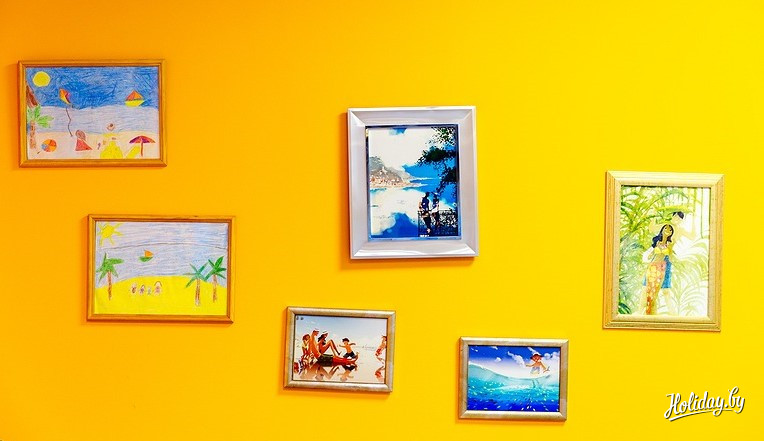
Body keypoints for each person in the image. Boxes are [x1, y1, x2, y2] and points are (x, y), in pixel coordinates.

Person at [640, 224, 675, 315]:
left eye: (670, 230)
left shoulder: (670, 244)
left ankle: (652, 314)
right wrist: (649, 257)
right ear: (662, 230)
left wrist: (670, 250)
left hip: (661, 268)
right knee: (648, 292)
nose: (668, 230)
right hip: (652, 267)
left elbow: (671, 258)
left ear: (671, 233)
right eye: (666, 228)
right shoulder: (657, 242)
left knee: (655, 293)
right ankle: (649, 314)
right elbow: (649, 255)